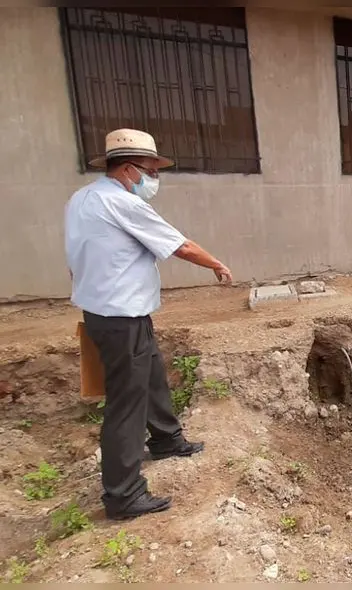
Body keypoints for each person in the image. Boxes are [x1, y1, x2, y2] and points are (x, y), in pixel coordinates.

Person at [64, 129, 233, 520]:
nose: (154, 179)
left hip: (107, 313)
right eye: (150, 171)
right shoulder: (124, 204)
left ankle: (166, 439)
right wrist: (217, 264)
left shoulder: (80, 200)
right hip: (120, 315)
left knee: (152, 370)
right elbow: (180, 246)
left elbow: (76, 256)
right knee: (126, 401)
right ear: (127, 170)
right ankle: (123, 495)